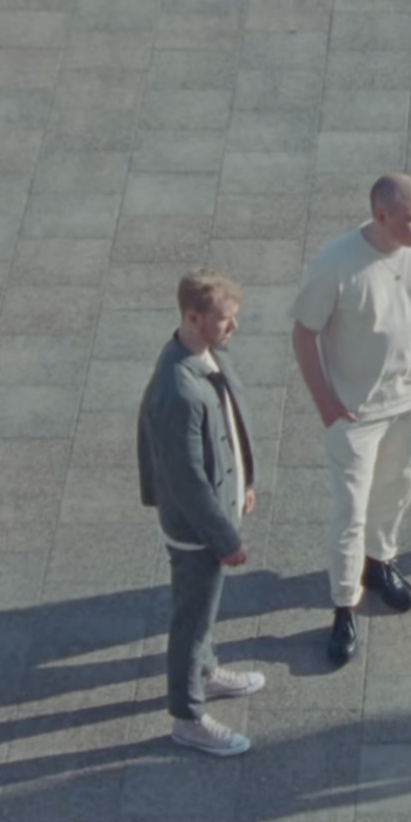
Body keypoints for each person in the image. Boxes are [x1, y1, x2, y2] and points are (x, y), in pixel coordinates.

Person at [289, 173, 411, 666]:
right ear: (381, 217)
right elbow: (303, 334)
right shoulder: (337, 265)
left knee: (397, 485)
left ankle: (381, 563)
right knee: (350, 510)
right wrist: (328, 409)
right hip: (356, 414)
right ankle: (344, 606)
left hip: (410, 399)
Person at [139, 269, 266, 757]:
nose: (233, 328)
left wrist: (244, 483)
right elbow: (187, 480)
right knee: (191, 621)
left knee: (203, 612)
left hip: (215, 515)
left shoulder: (203, 357)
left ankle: (207, 673)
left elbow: (226, 431)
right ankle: (187, 717)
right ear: (192, 317)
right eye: (225, 320)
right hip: (198, 532)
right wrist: (224, 537)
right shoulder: (178, 390)